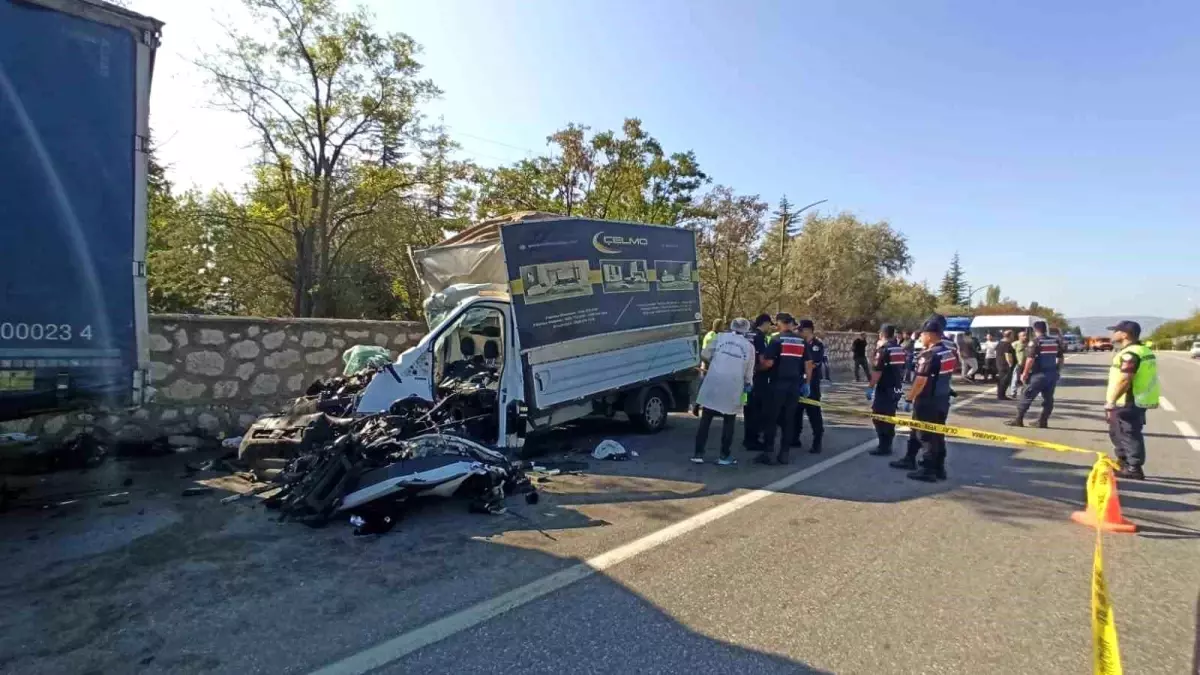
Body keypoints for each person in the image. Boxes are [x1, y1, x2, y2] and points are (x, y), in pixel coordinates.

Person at [891, 319, 957, 481]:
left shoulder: (930, 355)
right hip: (942, 399)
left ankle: (928, 469)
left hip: (928, 401)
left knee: (925, 435)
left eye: (922, 334)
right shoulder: (948, 352)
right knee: (936, 434)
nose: (920, 337)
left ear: (929, 335)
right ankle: (938, 467)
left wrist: (908, 398)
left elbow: (920, 380)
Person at [692, 318, 756, 466]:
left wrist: (719, 359)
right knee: (729, 420)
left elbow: (705, 354)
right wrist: (748, 383)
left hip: (714, 380)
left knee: (706, 419)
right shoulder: (748, 347)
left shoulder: (720, 337)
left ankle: (698, 453)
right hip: (733, 384)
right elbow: (749, 369)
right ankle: (724, 455)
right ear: (746, 330)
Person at [1104, 321, 1159, 480]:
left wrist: (1111, 401)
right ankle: (1124, 462)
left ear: (1124, 334)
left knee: (1128, 433)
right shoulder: (1143, 350)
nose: (1112, 334)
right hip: (1137, 398)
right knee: (1118, 432)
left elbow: (1125, 379)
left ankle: (1133, 467)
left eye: (1116, 331)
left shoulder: (1130, 354)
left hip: (1127, 399)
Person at [755, 313, 809, 465]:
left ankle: (768, 452)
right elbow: (808, 364)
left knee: (771, 418)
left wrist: (757, 369)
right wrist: (807, 383)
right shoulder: (801, 341)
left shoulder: (776, 339)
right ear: (791, 324)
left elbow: (768, 363)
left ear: (780, 323)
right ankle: (784, 453)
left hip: (777, 384)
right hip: (795, 385)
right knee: (788, 419)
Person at [1006, 320, 1064, 428]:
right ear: (1045, 329)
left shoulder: (1035, 342)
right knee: (1048, 399)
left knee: (1026, 396)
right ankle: (1043, 421)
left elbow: (1030, 359)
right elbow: (1060, 358)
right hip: (1051, 375)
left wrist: (1024, 373)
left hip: (1038, 375)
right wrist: (1057, 371)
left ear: (1035, 330)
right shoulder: (1055, 341)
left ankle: (1018, 420)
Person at [867, 324, 908, 457]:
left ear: (882, 334)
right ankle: (888, 444)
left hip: (885, 388)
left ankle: (884, 445)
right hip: (897, 387)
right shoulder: (900, 349)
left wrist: (870, 387)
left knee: (878, 416)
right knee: (890, 416)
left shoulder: (883, 350)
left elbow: (877, 372)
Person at [791, 319, 825, 454]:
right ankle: (794, 438)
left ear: (808, 330)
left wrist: (807, 382)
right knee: (796, 413)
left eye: (801, 330)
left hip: (812, 384)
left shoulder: (817, 345)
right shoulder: (800, 343)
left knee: (814, 413)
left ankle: (817, 442)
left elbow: (813, 364)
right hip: (799, 382)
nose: (799, 332)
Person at [742, 313, 773, 451]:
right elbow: (763, 361)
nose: (769, 328)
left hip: (745, 376)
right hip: (758, 378)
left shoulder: (748, 335)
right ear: (764, 323)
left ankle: (748, 438)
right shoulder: (759, 337)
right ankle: (753, 440)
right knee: (756, 410)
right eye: (769, 325)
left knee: (748, 409)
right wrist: (770, 366)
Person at [693, 319, 724, 416]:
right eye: (722, 325)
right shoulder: (712, 336)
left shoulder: (711, 334)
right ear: (719, 326)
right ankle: (697, 407)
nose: (723, 328)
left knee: (709, 387)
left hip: (709, 364)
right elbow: (707, 353)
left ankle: (706, 408)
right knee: (706, 387)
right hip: (709, 364)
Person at [995, 330, 1016, 400]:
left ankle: (1000, 394)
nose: (1013, 337)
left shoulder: (1000, 343)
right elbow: (1008, 355)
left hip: (999, 364)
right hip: (1005, 365)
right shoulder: (1007, 344)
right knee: (1004, 380)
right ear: (1010, 336)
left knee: (1001, 380)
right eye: (1012, 335)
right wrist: (1010, 364)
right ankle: (1001, 395)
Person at [1010, 330, 1028, 397]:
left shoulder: (1028, 344)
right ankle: (1013, 392)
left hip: (1026, 364)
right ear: (1019, 337)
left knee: (1025, 379)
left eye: (1026, 335)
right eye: (1023, 335)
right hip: (1018, 364)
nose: (1025, 337)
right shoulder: (1015, 344)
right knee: (1015, 378)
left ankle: (1023, 392)